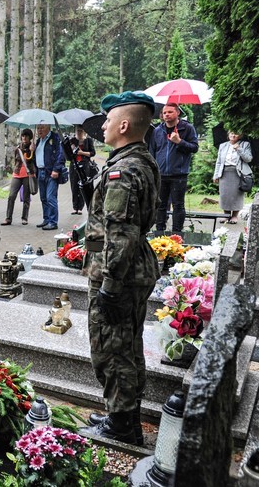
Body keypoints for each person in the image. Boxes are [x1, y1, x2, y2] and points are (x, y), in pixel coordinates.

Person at [79, 91, 160, 445]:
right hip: (129, 270)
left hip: (119, 275)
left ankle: (123, 426)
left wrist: (109, 283)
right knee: (127, 344)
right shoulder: (139, 159)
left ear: (124, 124)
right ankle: (122, 412)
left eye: (109, 119)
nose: (104, 125)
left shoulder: (123, 170)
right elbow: (110, 225)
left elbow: (120, 232)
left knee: (111, 349)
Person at [148, 102, 199, 233]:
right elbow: (152, 151)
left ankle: (177, 233)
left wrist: (179, 141)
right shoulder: (157, 131)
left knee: (178, 205)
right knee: (160, 205)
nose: (166, 115)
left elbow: (194, 148)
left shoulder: (187, 128)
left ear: (178, 113)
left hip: (179, 174)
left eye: (170, 112)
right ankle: (159, 232)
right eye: (164, 112)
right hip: (161, 174)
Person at [213, 131, 253, 223]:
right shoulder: (223, 145)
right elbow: (218, 162)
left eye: (236, 133)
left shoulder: (245, 144)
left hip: (238, 173)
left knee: (236, 195)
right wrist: (216, 175)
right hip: (224, 173)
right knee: (224, 195)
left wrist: (239, 149)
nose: (233, 135)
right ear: (228, 134)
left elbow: (248, 159)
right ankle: (226, 215)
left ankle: (235, 216)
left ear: (240, 135)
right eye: (231, 133)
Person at [34, 123, 65, 231]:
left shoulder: (55, 138)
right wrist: (32, 150)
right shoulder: (38, 141)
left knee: (50, 197)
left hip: (51, 172)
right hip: (40, 172)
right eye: (38, 128)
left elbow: (61, 155)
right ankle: (46, 219)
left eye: (42, 128)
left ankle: (53, 222)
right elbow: (35, 157)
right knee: (43, 198)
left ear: (48, 128)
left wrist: (56, 169)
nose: (39, 130)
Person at [2, 129, 36, 226]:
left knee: (26, 197)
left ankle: (24, 218)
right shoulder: (18, 148)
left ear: (30, 137)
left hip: (27, 174)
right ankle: (8, 218)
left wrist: (32, 151)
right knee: (11, 196)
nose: (24, 138)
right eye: (23, 136)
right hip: (17, 174)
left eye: (26, 136)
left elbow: (34, 161)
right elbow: (16, 160)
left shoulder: (33, 148)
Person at [68, 125, 96, 215]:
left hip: (84, 165)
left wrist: (82, 152)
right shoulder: (72, 141)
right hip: (74, 165)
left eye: (81, 130)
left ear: (84, 131)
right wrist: (71, 148)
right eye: (78, 130)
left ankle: (80, 207)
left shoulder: (88, 140)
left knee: (83, 185)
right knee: (74, 186)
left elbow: (92, 153)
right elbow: (68, 154)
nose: (79, 132)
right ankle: (74, 207)